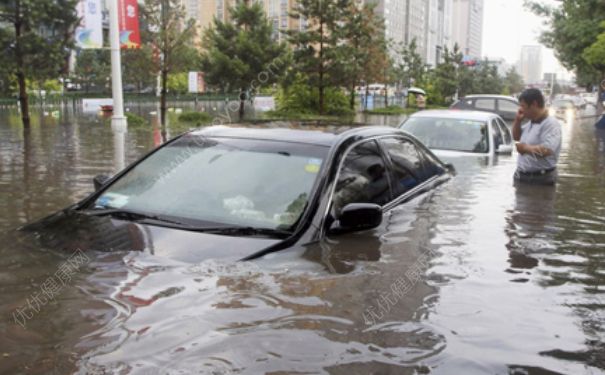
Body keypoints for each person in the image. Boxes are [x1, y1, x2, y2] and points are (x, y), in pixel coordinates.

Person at [512, 88, 562, 185]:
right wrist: (517, 121)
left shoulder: (551, 124)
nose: (521, 109)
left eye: (523, 106)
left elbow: (547, 150)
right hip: (522, 176)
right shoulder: (531, 123)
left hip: (541, 179)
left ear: (534, 104)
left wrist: (525, 148)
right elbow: (517, 137)